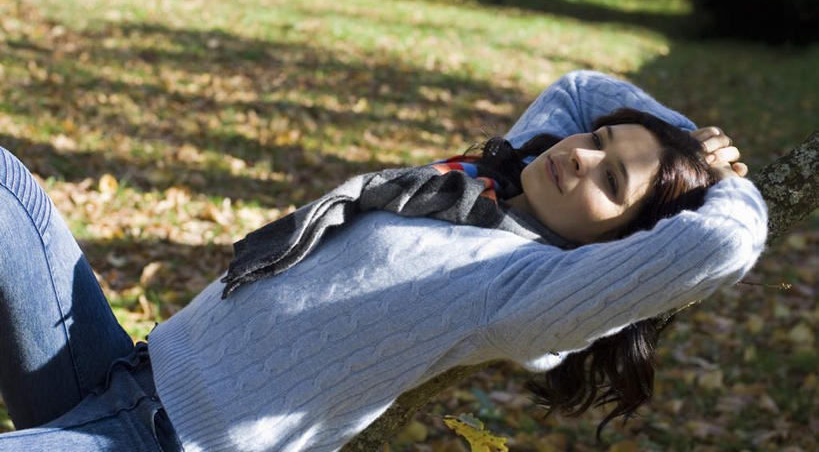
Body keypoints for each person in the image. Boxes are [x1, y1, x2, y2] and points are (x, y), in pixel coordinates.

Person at [0, 71, 767, 451]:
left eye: (610, 180)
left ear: (615, 250)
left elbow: (723, 243)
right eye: (597, 140)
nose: (581, 156)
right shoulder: (487, 182)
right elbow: (577, 88)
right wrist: (677, 136)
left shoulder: (527, 291)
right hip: (120, 371)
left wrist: (723, 184)